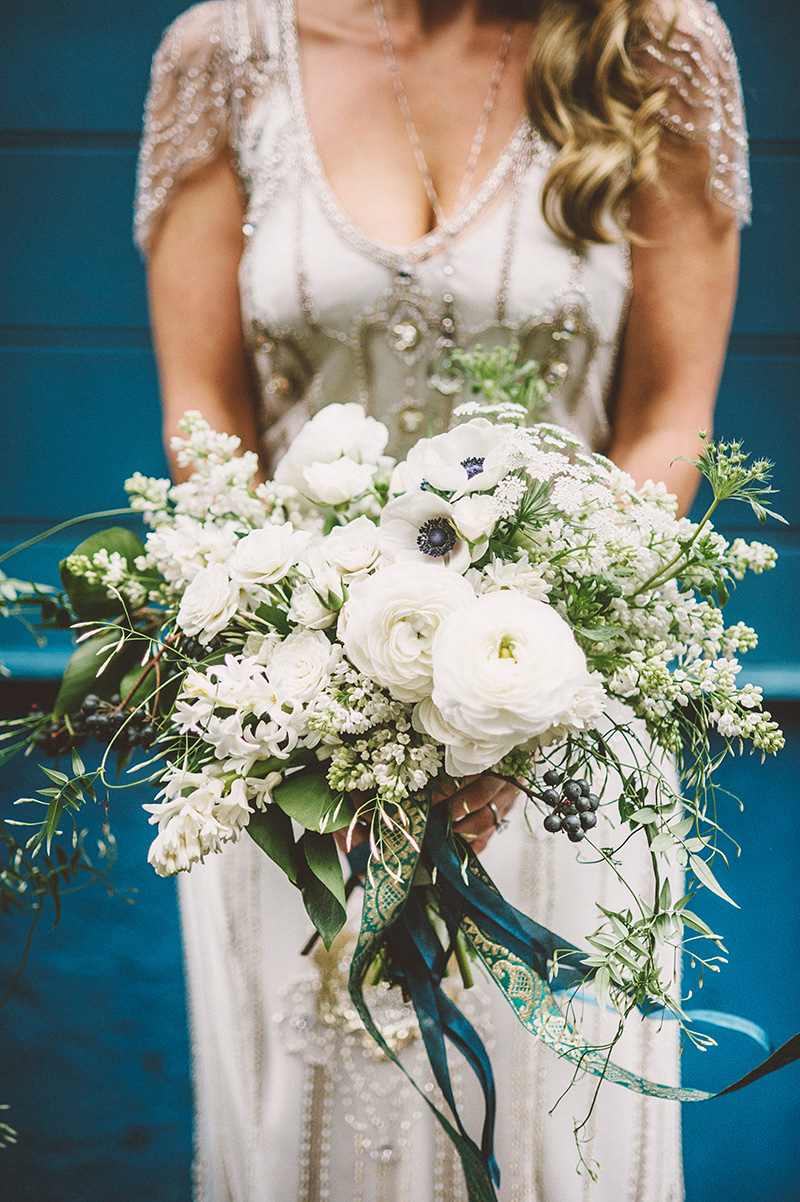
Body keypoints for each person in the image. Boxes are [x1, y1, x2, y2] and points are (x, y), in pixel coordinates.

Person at [134, 1, 750, 1198]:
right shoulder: (223, 53)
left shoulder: (656, 45)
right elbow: (204, 414)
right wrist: (325, 695)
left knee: (556, 1142)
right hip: (299, 755)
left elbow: (667, 420)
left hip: (559, 731)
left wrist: (518, 684)